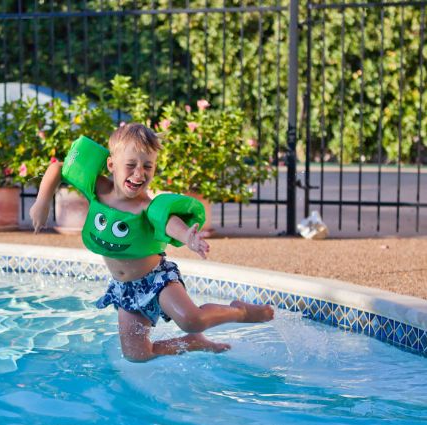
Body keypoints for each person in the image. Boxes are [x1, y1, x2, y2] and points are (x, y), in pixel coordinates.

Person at [29, 123, 274, 362]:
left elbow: (168, 221)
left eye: (148, 166)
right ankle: (193, 343)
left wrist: (187, 236)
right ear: (111, 165)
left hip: (157, 279)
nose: (139, 173)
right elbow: (58, 168)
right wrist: (42, 202)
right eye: (131, 165)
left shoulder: (146, 206)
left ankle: (240, 311)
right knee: (137, 355)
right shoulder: (97, 188)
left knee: (192, 320)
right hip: (125, 288)